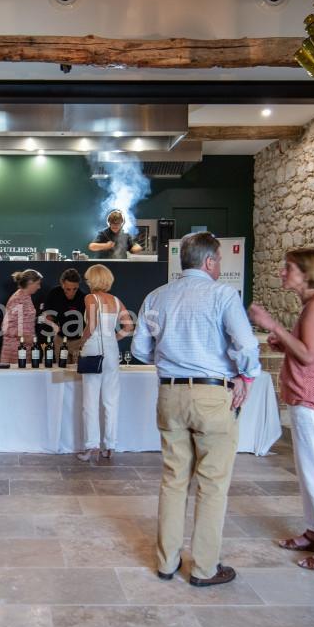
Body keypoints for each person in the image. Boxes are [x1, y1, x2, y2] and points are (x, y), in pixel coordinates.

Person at [130, 232, 260, 587]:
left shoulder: (156, 296)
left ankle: (166, 563)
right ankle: (203, 568)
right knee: (212, 484)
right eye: (219, 259)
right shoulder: (223, 295)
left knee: (173, 481)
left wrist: (170, 353)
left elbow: (141, 349)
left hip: (169, 396)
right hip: (211, 395)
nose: (220, 265)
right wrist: (247, 377)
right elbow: (247, 346)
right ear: (209, 262)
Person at [248, 248, 314, 571]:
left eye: (287, 268)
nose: (281, 272)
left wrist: (272, 326)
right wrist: (285, 341)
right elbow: (306, 349)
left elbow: (307, 356)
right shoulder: (313, 307)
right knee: (309, 474)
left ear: (306, 273)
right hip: (307, 398)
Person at [77, 264, 134, 462]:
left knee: (90, 401)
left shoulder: (90, 298)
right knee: (111, 400)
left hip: (93, 349)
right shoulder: (117, 301)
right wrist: (113, 338)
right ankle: (110, 446)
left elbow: (91, 326)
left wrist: (80, 342)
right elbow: (128, 326)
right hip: (111, 350)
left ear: (93, 279)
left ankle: (91, 446)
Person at [38, 268, 88, 362]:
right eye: (67, 289)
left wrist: (84, 338)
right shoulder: (54, 293)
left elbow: (89, 321)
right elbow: (45, 314)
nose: (71, 293)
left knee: (78, 373)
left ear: (78, 285)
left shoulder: (84, 297)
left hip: (78, 341)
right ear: (62, 284)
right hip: (60, 340)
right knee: (60, 371)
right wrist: (53, 325)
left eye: (75, 289)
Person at [0, 269, 43, 365]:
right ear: (30, 283)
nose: (39, 287)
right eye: (38, 284)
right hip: (14, 351)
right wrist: (25, 337)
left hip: (25, 349)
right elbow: (6, 327)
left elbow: (24, 320)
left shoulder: (26, 296)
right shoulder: (17, 299)